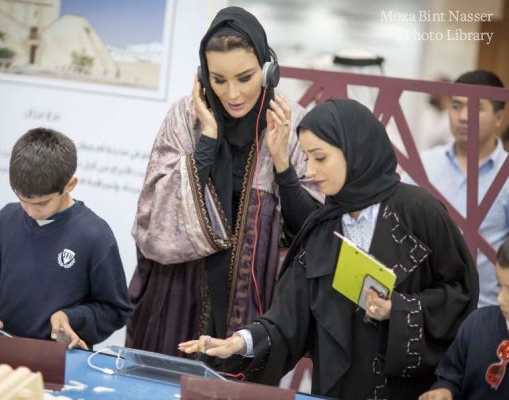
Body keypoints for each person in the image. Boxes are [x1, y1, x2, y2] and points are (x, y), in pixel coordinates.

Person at [180, 99, 479, 399]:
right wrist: (241, 342)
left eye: (320, 158)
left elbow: (460, 293)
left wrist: (399, 309)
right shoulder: (323, 226)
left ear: (355, 150)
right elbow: (288, 318)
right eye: (308, 158)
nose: (310, 170)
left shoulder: (419, 212)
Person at [127, 6, 323, 358]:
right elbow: (152, 220)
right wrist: (208, 139)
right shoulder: (185, 118)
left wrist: (282, 164)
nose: (232, 94)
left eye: (245, 78)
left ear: (267, 71)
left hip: (252, 307)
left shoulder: (291, 125)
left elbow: (312, 232)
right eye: (219, 80)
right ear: (203, 76)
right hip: (176, 296)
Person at [0, 128, 132, 349]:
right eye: (22, 199)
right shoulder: (5, 219)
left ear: (70, 185)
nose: (31, 212)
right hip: (0, 351)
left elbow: (115, 310)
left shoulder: (95, 235)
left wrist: (70, 318)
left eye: (42, 203)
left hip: (59, 360)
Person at [404, 69, 508, 308]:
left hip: (485, 312)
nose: (463, 117)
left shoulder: (506, 175)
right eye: (456, 106)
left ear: (499, 118)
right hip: (424, 311)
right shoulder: (422, 166)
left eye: (477, 109)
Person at [419, 237, 509, 399]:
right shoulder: (475, 325)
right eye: (499, 286)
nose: (500, 299)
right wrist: (444, 391)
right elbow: (451, 376)